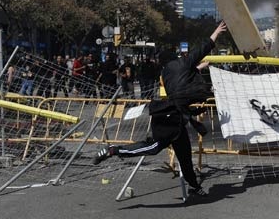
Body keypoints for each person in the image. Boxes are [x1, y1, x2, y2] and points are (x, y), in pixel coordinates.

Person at [92, 20, 227, 198]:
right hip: (169, 119)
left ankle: (194, 186)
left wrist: (200, 66)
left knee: (185, 156)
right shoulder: (181, 65)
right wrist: (216, 31)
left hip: (176, 119)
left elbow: (185, 72)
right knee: (153, 147)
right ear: (175, 58)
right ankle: (113, 150)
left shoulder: (166, 72)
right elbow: (202, 49)